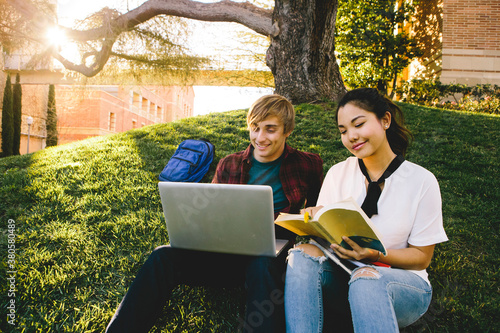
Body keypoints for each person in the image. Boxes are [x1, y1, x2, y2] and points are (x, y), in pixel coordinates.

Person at [106, 94, 323, 333]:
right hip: (224, 257)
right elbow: (212, 214)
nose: (260, 138)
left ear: (287, 130)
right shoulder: (229, 164)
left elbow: (316, 215)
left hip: (271, 259)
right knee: (161, 257)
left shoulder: (308, 165)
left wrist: (309, 218)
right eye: (255, 128)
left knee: (262, 263)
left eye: (270, 129)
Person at [284, 88, 448, 332]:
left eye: (358, 124)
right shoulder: (338, 173)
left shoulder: (421, 181)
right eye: (343, 131)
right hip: (342, 272)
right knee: (301, 255)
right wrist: (315, 221)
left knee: (366, 279)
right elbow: (324, 242)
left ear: (385, 120)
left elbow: (421, 258)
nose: (351, 136)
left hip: (400, 283)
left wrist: (375, 255)